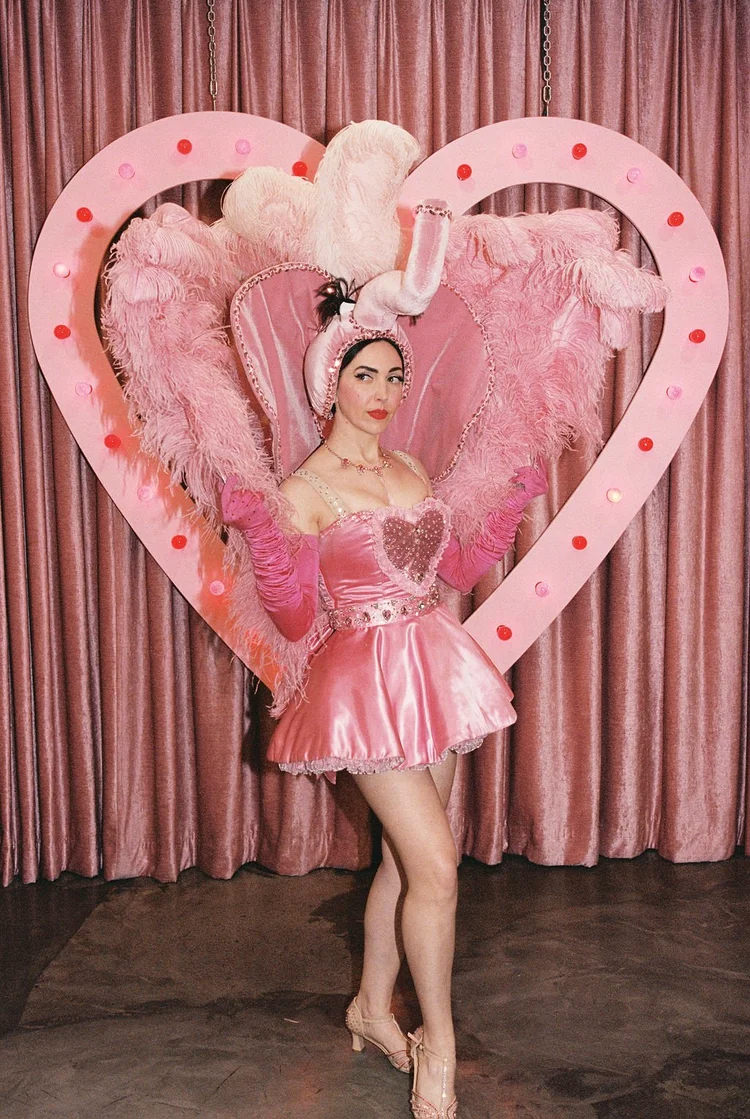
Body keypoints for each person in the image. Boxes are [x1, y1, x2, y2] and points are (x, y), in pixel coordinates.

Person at [221, 277, 547, 1117]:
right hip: (366, 682)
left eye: (394, 377)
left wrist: (510, 504)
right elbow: (295, 615)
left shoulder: (407, 466)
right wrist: (263, 532)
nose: (384, 393)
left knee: (408, 865)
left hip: (435, 666)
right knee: (438, 863)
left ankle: (371, 1004)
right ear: (331, 382)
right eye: (366, 375)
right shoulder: (305, 489)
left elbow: (451, 573)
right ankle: (437, 1037)